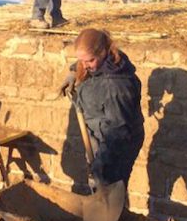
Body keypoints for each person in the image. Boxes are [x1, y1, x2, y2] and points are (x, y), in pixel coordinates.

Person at [60, 28, 144, 189]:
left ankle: (116, 214)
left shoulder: (116, 86)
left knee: (110, 189)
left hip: (116, 146)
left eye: (89, 61)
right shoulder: (99, 63)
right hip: (98, 136)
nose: (84, 66)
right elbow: (83, 62)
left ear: (103, 52)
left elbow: (118, 131)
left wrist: (100, 165)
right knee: (100, 189)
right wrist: (73, 73)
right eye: (81, 61)